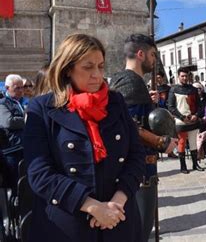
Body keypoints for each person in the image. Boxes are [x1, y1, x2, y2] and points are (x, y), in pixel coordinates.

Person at [23, 34, 145, 242]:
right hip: (67, 226)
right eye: (88, 67)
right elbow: (39, 174)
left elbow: (136, 155)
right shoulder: (42, 108)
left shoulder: (115, 102)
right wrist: (93, 207)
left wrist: (118, 201)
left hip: (119, 220)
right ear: (68, 69)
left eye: (100, 66)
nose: (97, 75)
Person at [109, 34, 177, 242]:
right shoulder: (130, 83)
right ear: (140, 54)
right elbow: (129, 126)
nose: (154, 60)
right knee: (139, 231)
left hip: (142, 167)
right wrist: (161, 142)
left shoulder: (131, 82)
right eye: (152, 55)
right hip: (138, 170)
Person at [168, 67, 204, 173]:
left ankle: (195, 164)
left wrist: (196, 115)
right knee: (182, 143)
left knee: (193, 142)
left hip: (193, 119)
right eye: (182, 76)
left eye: (186, 76)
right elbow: (171, 107)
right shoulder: (173, 89)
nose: (184, 78)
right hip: (181, 120)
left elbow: (199, 105)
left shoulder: (193, 89)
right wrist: (182, 117)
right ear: (178, 76)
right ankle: (183, 166)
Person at [0, 74, 26, 194]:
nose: (21, 91)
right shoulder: (3, 104)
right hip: (11, 151)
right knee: (15, 184)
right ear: (7, 88)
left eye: (22, 87)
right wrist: (26, 119)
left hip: (23, 148)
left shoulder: (22, 102)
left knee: (24, 183)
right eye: (17, 88)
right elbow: (8, 122)